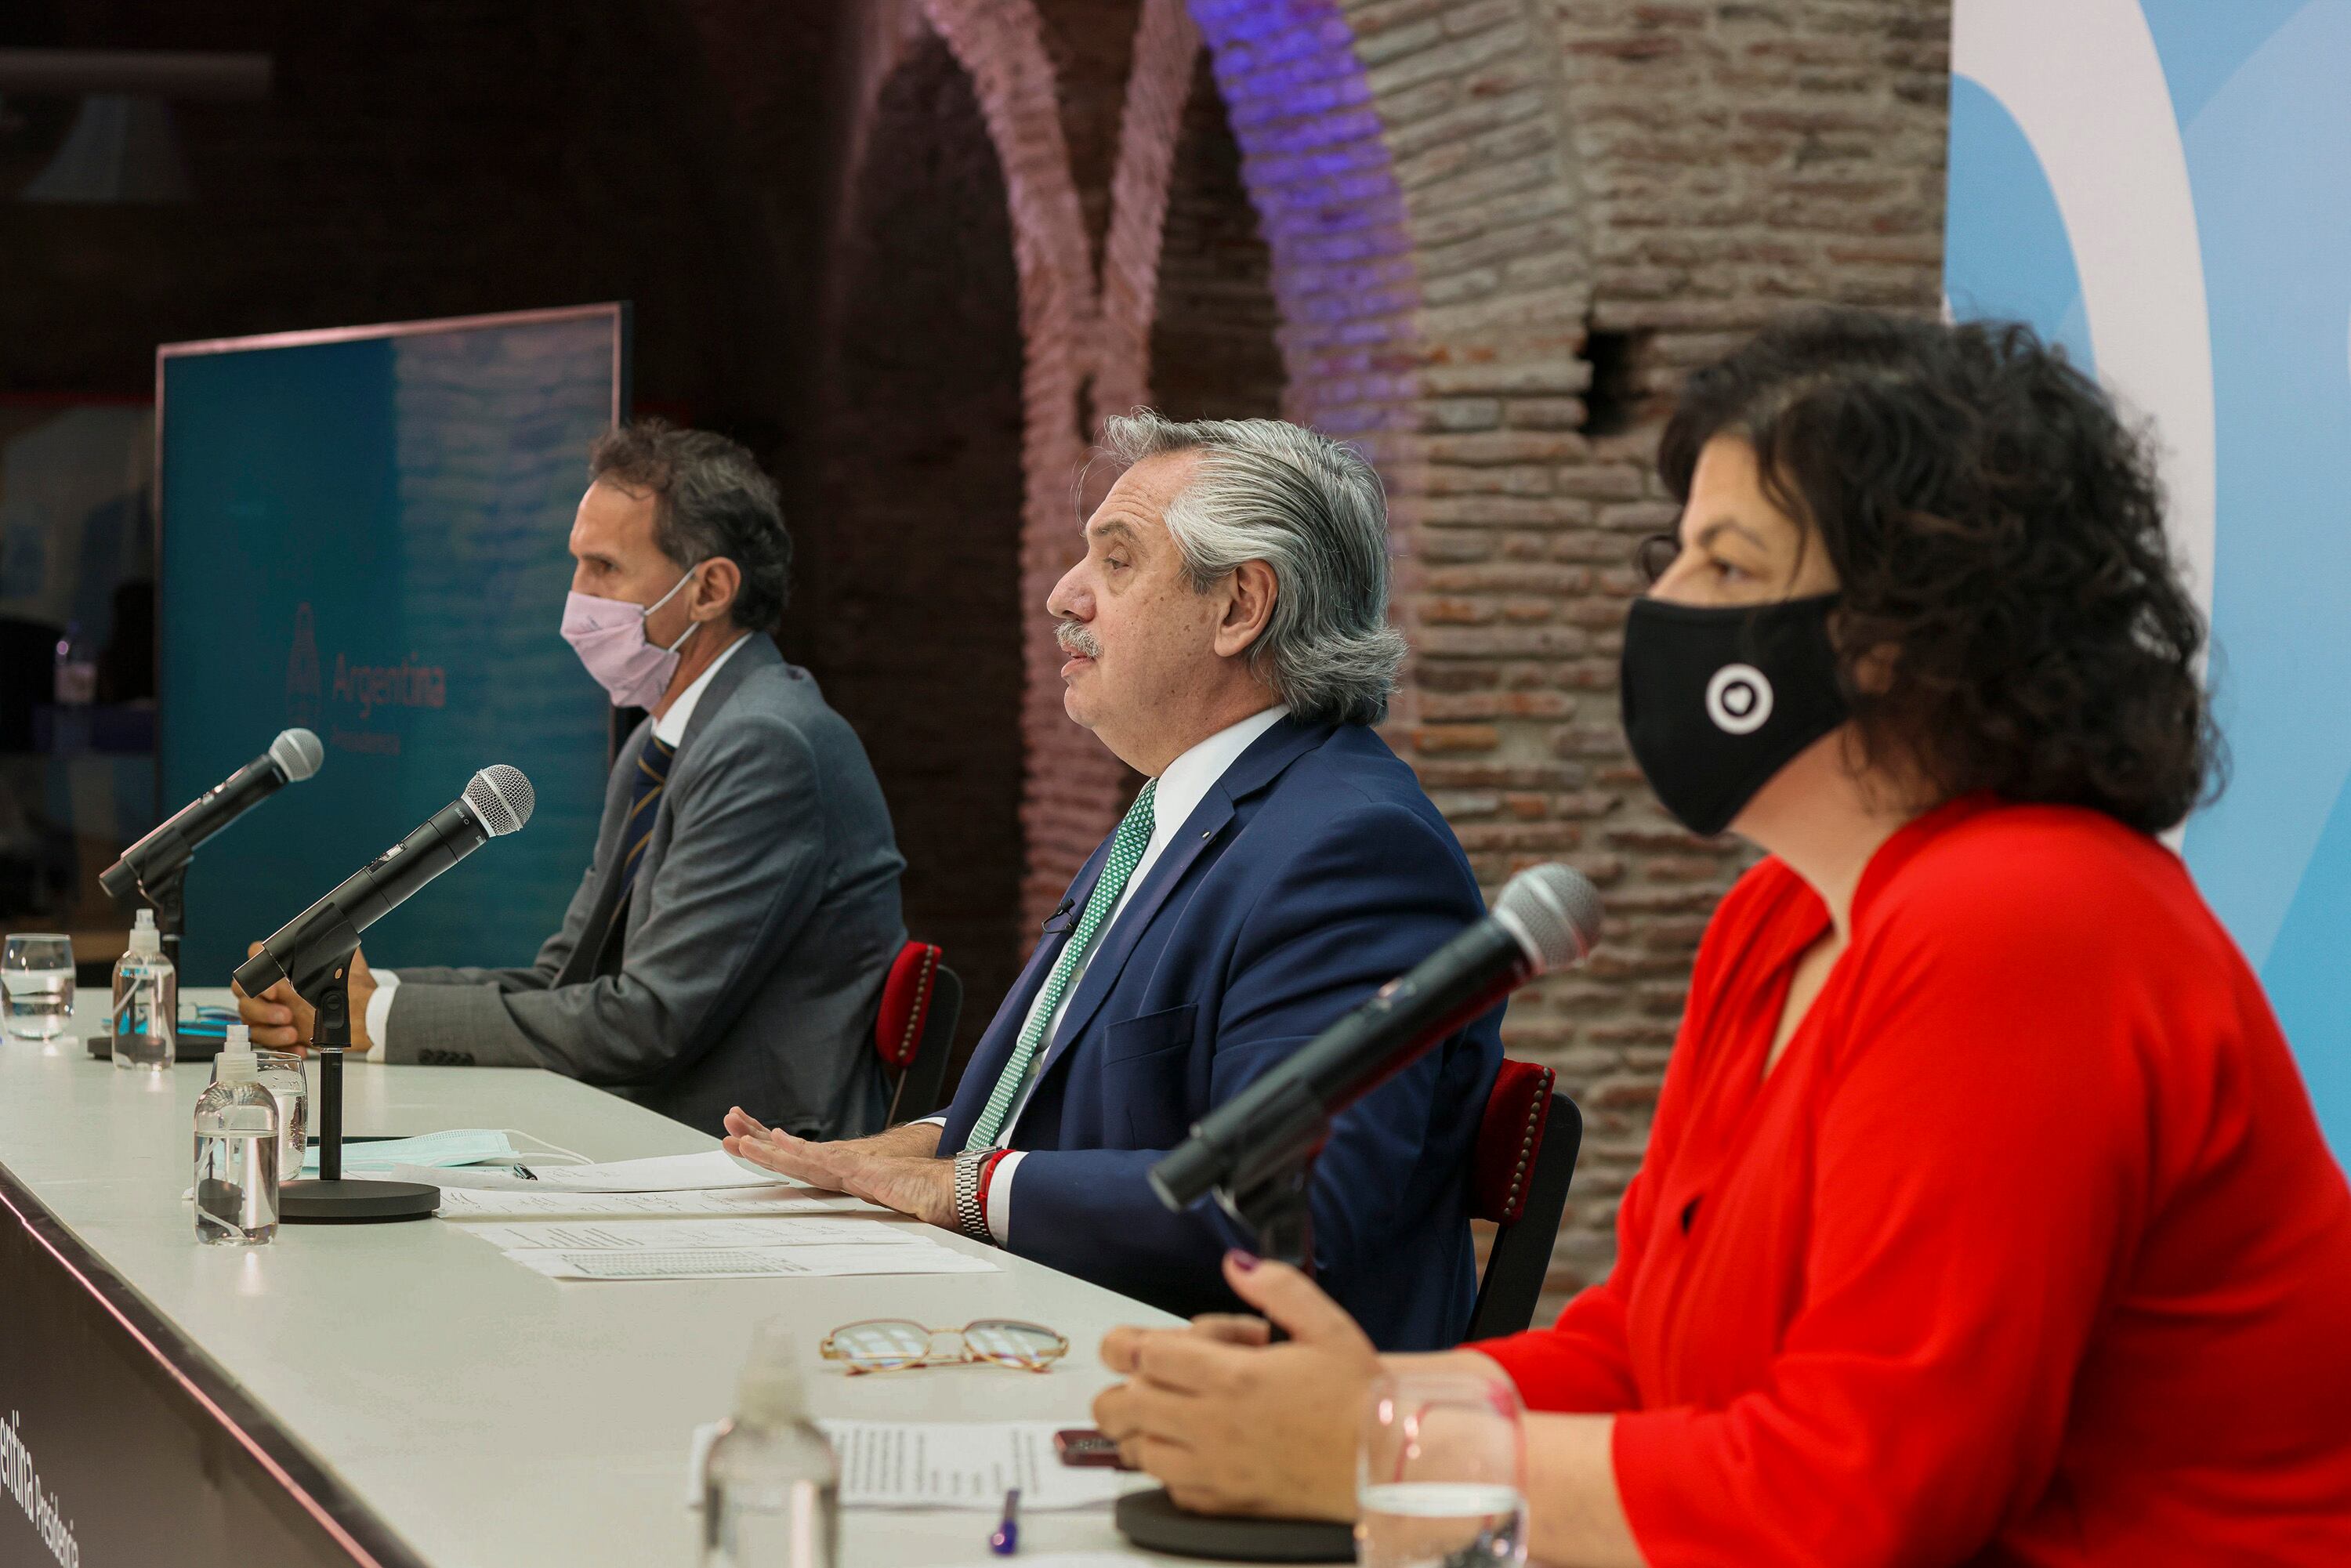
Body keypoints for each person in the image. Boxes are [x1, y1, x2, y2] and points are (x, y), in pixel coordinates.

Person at [1089, 312, 2351, 1564]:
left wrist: (1381, 1455)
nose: (1667, 602)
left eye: (1731, 567)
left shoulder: (2030, 917)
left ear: (1910, 626)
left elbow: (1859, 1498)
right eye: (1677, 551)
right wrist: (1329, 1415)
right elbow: (1641, 1348)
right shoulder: (1780, 915)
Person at [721, 412, 1502, 1350]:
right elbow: (1088, 1095)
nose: (1064, 594)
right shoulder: (1181, 808)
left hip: (1224, 1411)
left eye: (1118, 561)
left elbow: (1288, 1199)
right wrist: (918, 1145)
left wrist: (972, 1183)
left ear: (1240, 607)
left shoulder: (1353, 847)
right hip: (1055, 1329)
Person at [236, 422, 907, 1139]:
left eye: (606, 569)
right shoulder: (663, 736)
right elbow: (565, 981)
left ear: (710, 588)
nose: (577, 596)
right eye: (577, 564)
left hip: (749, 1151)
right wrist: (354, 995)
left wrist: (368, 1018)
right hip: (654, 1123)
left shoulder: (766, 744)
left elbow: (647, 1021)